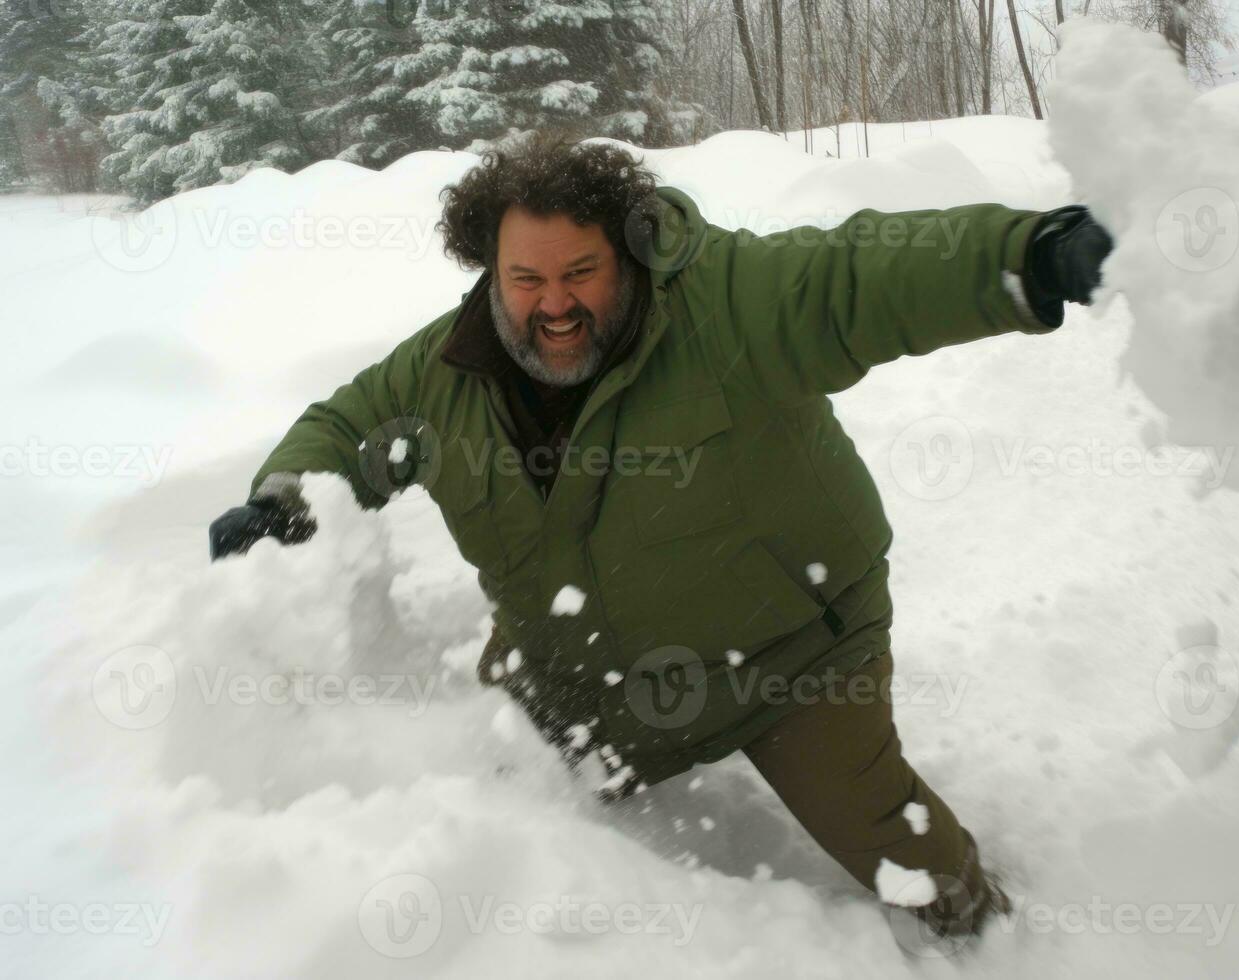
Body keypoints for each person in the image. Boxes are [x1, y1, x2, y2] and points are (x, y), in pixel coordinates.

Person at [209, 132, 1113, 946]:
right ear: (488, 270)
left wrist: (1024, 257)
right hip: (580, 670)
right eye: (525, 280)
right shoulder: (442, 371)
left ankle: (991, 938)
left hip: (786, 654)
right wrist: (284, 500)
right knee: (481, 785)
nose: (553, 305)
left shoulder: (720, 306)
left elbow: (853, 278)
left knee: (885, 839)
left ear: (629, 252)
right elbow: (344, 426)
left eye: (581, 273)